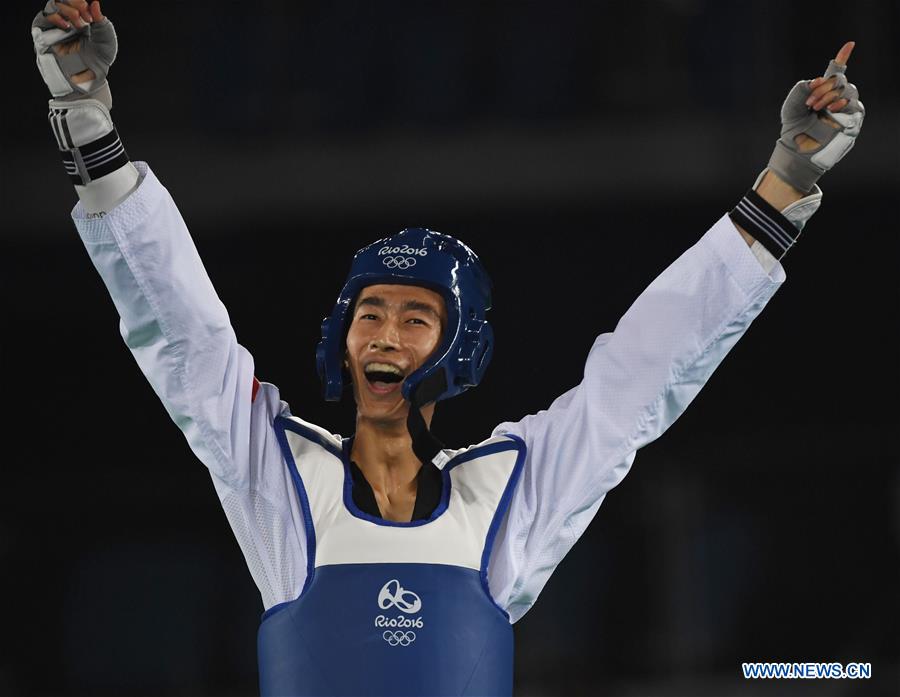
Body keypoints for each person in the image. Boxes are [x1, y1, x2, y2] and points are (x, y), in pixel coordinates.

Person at [32, 2, 865, 695]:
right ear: (344, 339)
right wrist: (87, 120)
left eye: (415, 317)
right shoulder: (284, 477)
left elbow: (640, 376)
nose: (386, 333)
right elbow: (182, 335)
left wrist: (781, 189)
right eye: (372, 313)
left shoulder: (503, 493)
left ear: (456, 351)